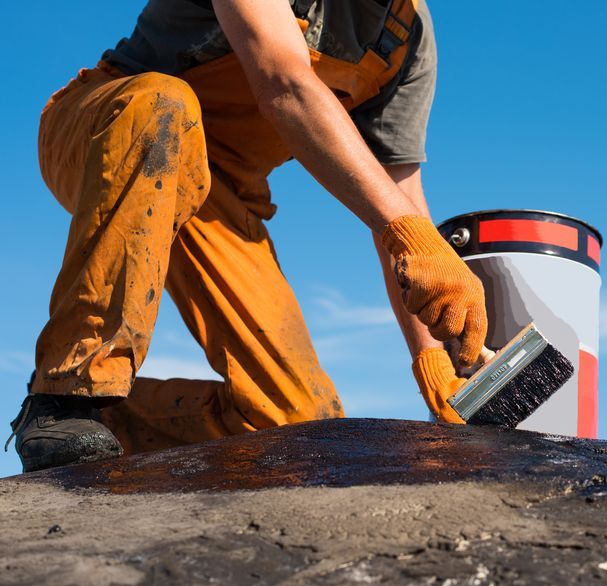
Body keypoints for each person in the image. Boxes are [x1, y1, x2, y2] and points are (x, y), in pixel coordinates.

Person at [6, 0, 485, 472]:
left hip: (218, 197)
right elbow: (284, 81)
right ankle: (66, 397)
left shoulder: (405, 36)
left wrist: (433, 360)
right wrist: (409, 233)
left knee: (296, 426)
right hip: (112, 131)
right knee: (161, 105)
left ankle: (108, 424)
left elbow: (400, 200)